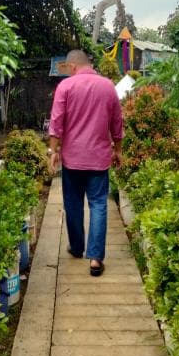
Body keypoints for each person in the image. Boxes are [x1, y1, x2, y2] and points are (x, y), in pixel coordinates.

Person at [47, 49, 124, 277]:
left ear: (72, 66)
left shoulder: (66, 87)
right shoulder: (108, 86)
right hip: (99, 159)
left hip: (72, 159)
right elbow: (117, 123)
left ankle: (77, 247)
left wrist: (53, 150)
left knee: (73, 204)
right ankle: (95, 258)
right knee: (99, 204)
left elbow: (56, 121)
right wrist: (118, 150)